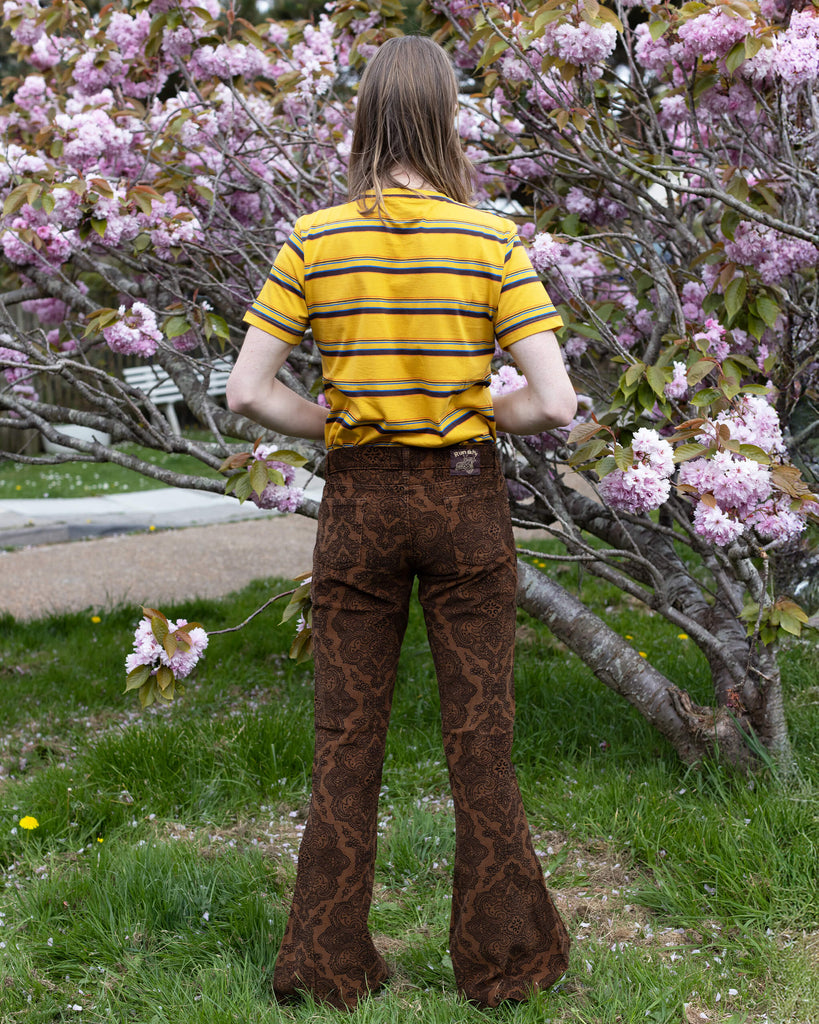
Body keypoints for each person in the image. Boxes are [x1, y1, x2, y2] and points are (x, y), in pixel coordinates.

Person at [226, 34, 576, 1010]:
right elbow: (554, 402)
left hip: (359, 502)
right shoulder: (490, 239)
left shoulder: (313, 239)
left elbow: (247, 390)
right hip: (463, 499)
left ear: (368, 118)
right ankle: (506, 965)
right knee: (481, 739)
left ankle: (324, 965)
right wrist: (474, 413)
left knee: (346, 740)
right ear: (445, 117)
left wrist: (338, 421)